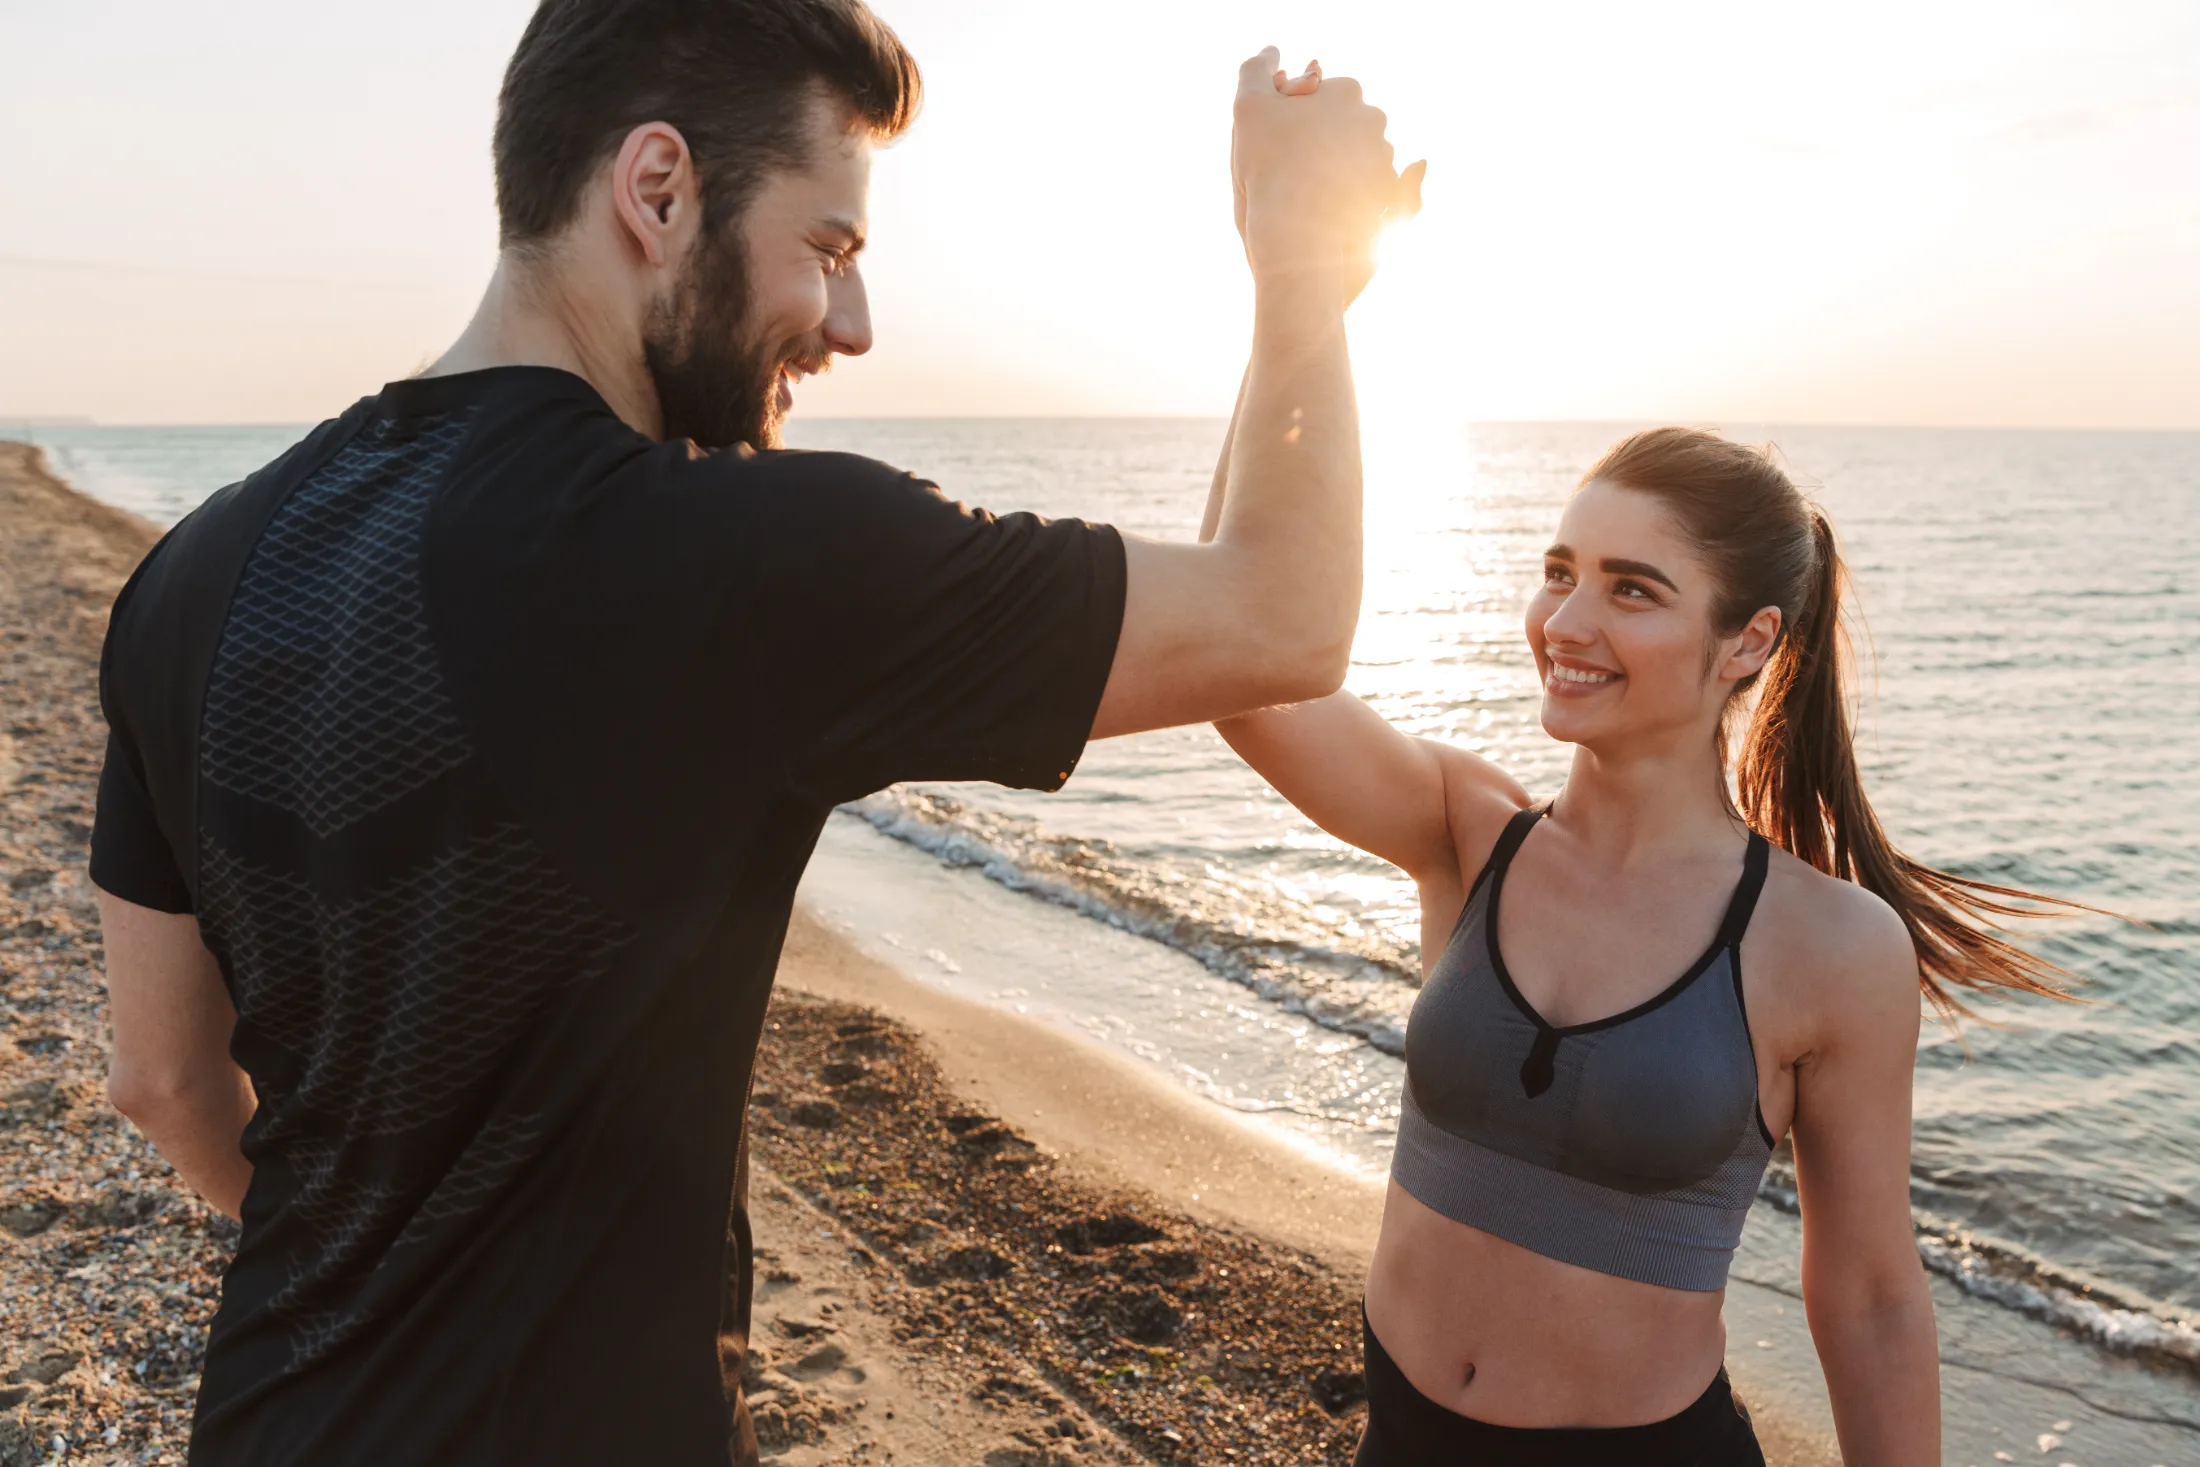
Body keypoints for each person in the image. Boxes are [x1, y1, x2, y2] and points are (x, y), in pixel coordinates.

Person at [86, 2, 1419, 1460]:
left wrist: (391, 1282)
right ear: (656, 190)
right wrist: (1302, 269)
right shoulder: (738, 563)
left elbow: (160, 1078)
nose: (853, 324)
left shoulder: (190, 573)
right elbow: (1284, 617)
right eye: (832, 249)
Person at [1203, 425, 2082, 1466]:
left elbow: (1869, 1295)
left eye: (1631, 590)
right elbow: (1238, 650)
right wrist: (1293, 305)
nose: (1564, 622)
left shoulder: (1828, 944)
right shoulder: (1465, 829)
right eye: (1558, 573)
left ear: (1746, 643)